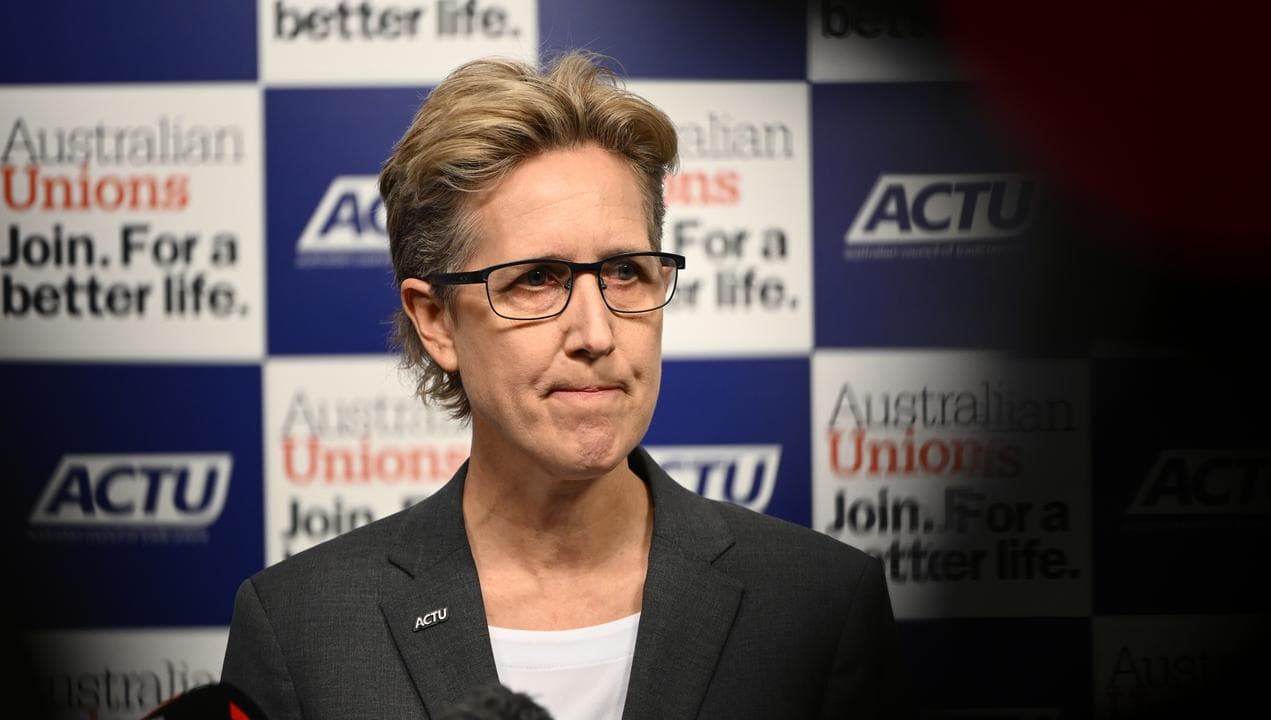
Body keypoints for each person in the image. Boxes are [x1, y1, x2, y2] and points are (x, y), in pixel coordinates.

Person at [222, 51, 911, 720]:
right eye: (536, 279)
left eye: (625, 272)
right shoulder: (300, 628)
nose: (597, 332)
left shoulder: (820, 604)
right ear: (435, 322)